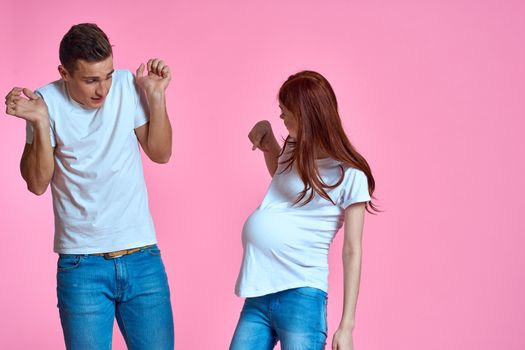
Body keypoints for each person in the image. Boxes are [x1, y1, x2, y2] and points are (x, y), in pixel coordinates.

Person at [4, 23, 174, 349]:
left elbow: (160, 153)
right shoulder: (45, 102)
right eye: (91, 80)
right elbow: (37, 183)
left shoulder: (126, 85)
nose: (103, 89)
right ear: (64, 73)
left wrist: (156, 96)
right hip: (82, 266)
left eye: (107, 75)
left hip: (142, 256)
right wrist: (39, 122)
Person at [230, 71, 378, 350]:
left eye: (285, 113)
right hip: (259, 291)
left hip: (302, 295)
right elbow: (284, 181)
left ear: (306, 115)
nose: (281, 118)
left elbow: (352, 250)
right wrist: (269, 141)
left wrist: (346, 326)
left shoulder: (350, 174)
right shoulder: (294, 149)